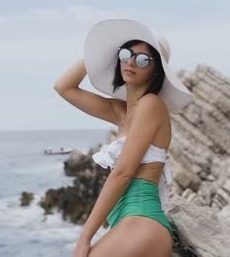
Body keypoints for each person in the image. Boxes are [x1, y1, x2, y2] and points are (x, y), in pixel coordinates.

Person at [53, 19, 193, 257]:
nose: (131, 61)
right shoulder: (119, 112)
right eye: (127, 53)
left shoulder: (151, 105)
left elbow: (123, 173)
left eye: (142, 59)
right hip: (126, 223)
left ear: (156, 70)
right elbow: (63, 87)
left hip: (142, 220)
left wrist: (84, 238)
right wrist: (104, 50)